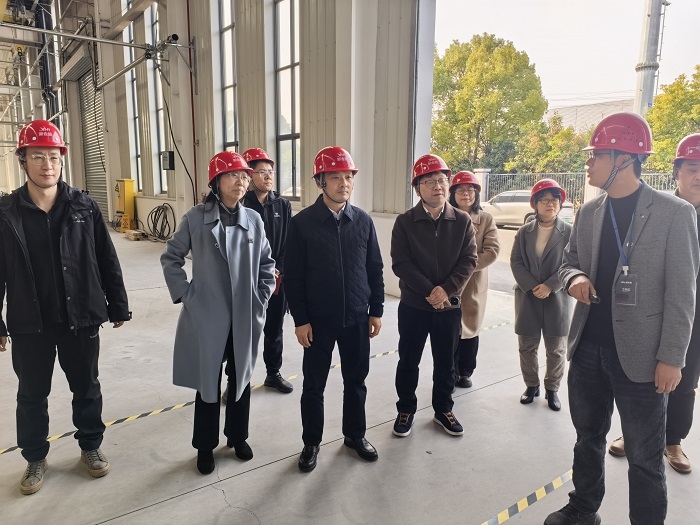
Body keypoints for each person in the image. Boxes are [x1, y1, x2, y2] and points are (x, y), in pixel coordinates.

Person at [546, 113, 699, 525]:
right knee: (587, 439)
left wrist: (672, 358)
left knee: (645, 457)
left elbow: (682, 294)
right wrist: (575, 278)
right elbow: (568, 262)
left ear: (625, 159)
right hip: (588, 350)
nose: (588, 163)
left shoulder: (674, 214)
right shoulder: (589, 212)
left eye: (596, 155)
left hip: (643, 359)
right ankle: (583, 508)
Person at [0, 120, 130, 495]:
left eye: (54, 157)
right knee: (31, 395)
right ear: (23, 160)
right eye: (38, 156)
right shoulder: (6, 212)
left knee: (86, 388)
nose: (48, 165)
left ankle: (90, 446)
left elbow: (106, 258)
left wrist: (118, 303)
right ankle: (35, 457)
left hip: (81, 316)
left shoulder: (83, 206)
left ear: (62, 160)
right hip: (30, 322)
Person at [161, 151, 276, 475]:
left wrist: (261, 296)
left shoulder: (253, 220)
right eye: (232, 175)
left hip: (245, 315)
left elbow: (267, 263)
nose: (241, 181)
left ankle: (238, 437)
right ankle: (204, 446)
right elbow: (171, 257)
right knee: (208, 382)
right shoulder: (196, 218)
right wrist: (188, 295)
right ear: (216, 181)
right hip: (208, 315)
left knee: (241, 379)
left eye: (244, 176)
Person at [284, 146, 384, 473]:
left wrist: (376, 310)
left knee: (356, 381)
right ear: (320, 182)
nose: (344, 183)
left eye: (348, 177)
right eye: (336, 177)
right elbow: (294, 277)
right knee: (314, 385)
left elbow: (374, 268)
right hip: (319, 322)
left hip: (356, 318)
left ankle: (355, 435)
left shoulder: (363, 221)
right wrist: (301, 320)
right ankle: (311, 442)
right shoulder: (302, 224)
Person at [608, 133, 700, 474]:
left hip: (693, 314)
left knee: (684, 378)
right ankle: (634, 432)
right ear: (676, 171)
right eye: (692, 168)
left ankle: (672, 440)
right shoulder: (654, 209)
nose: (698, 176)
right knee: (642, 376)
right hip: (651, 309)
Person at [391, 154, 477, 438]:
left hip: (448, 307)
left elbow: (469, 260)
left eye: (441, 180)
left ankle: (443, 409)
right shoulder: (405, 222)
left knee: (446, 363)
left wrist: (446, 290)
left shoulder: (462, 221)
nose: (437, 186)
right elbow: (401, 263)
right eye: (429, 181)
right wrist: (429, 291)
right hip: (414, 306)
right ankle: (406, 409)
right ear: (418, 188)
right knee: (408, 361)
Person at [221, 147, 292, 402]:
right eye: (261, 172)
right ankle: (236, 380)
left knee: (274, 329)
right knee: (242, 332)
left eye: (270, 171)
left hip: (277, 280)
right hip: (247, 282)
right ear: (249, 176)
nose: (268, 176)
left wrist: (278, 267)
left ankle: (273, 372)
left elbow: (289, 242)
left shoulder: (282, 205)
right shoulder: (239, 205)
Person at [510, 179, 572, 411]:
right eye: (544, 200)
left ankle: (552, 389)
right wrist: (532, 285)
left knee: (556, 348)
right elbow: (516, 261)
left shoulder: (569, 232)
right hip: (528, 296)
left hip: (558, 298)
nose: (550, 204)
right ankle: (531, 385)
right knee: (527, 345)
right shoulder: (524, 232)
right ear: (535, 204)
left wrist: (550, 285)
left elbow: (572, 262)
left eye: (554, 200)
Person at [449, 171, 500, 389]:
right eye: (460, 190)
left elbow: (492, 251)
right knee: (449, 330)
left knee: (470, 330)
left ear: (477, 194)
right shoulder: (445, 216)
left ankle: (465, 372)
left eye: (470, 190)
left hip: (473, 284)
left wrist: (465, 267)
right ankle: (449, 372)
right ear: (453, 194)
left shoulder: (486, 219)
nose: (466, 194)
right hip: (449, 283)